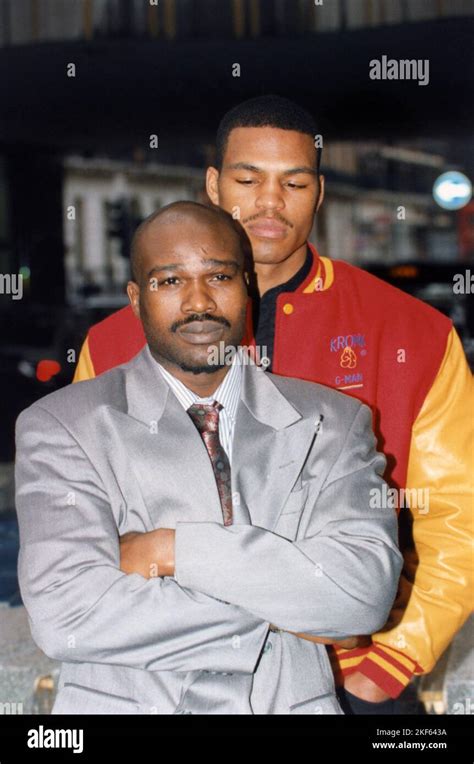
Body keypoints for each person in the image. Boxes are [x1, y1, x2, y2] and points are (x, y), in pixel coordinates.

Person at [72, 96, 473, 713]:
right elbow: (84, 520)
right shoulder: (113, 343)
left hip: (351, 674)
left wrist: (390, 663)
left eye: (293, 182)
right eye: (246, 179)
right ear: (212, 184)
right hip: (168, 670)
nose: (268, 201)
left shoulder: (413, 334)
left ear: (319, 193)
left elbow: (459, 516)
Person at [15, 202, 401, 715]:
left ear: (248, 286)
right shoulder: (62, 424)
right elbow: (67, 615)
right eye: (169, 281)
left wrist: (170, 550)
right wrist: (287, 611)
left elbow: (364, 595)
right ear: (135, 299)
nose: (199, 302)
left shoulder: (336, 420)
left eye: (218, 275)